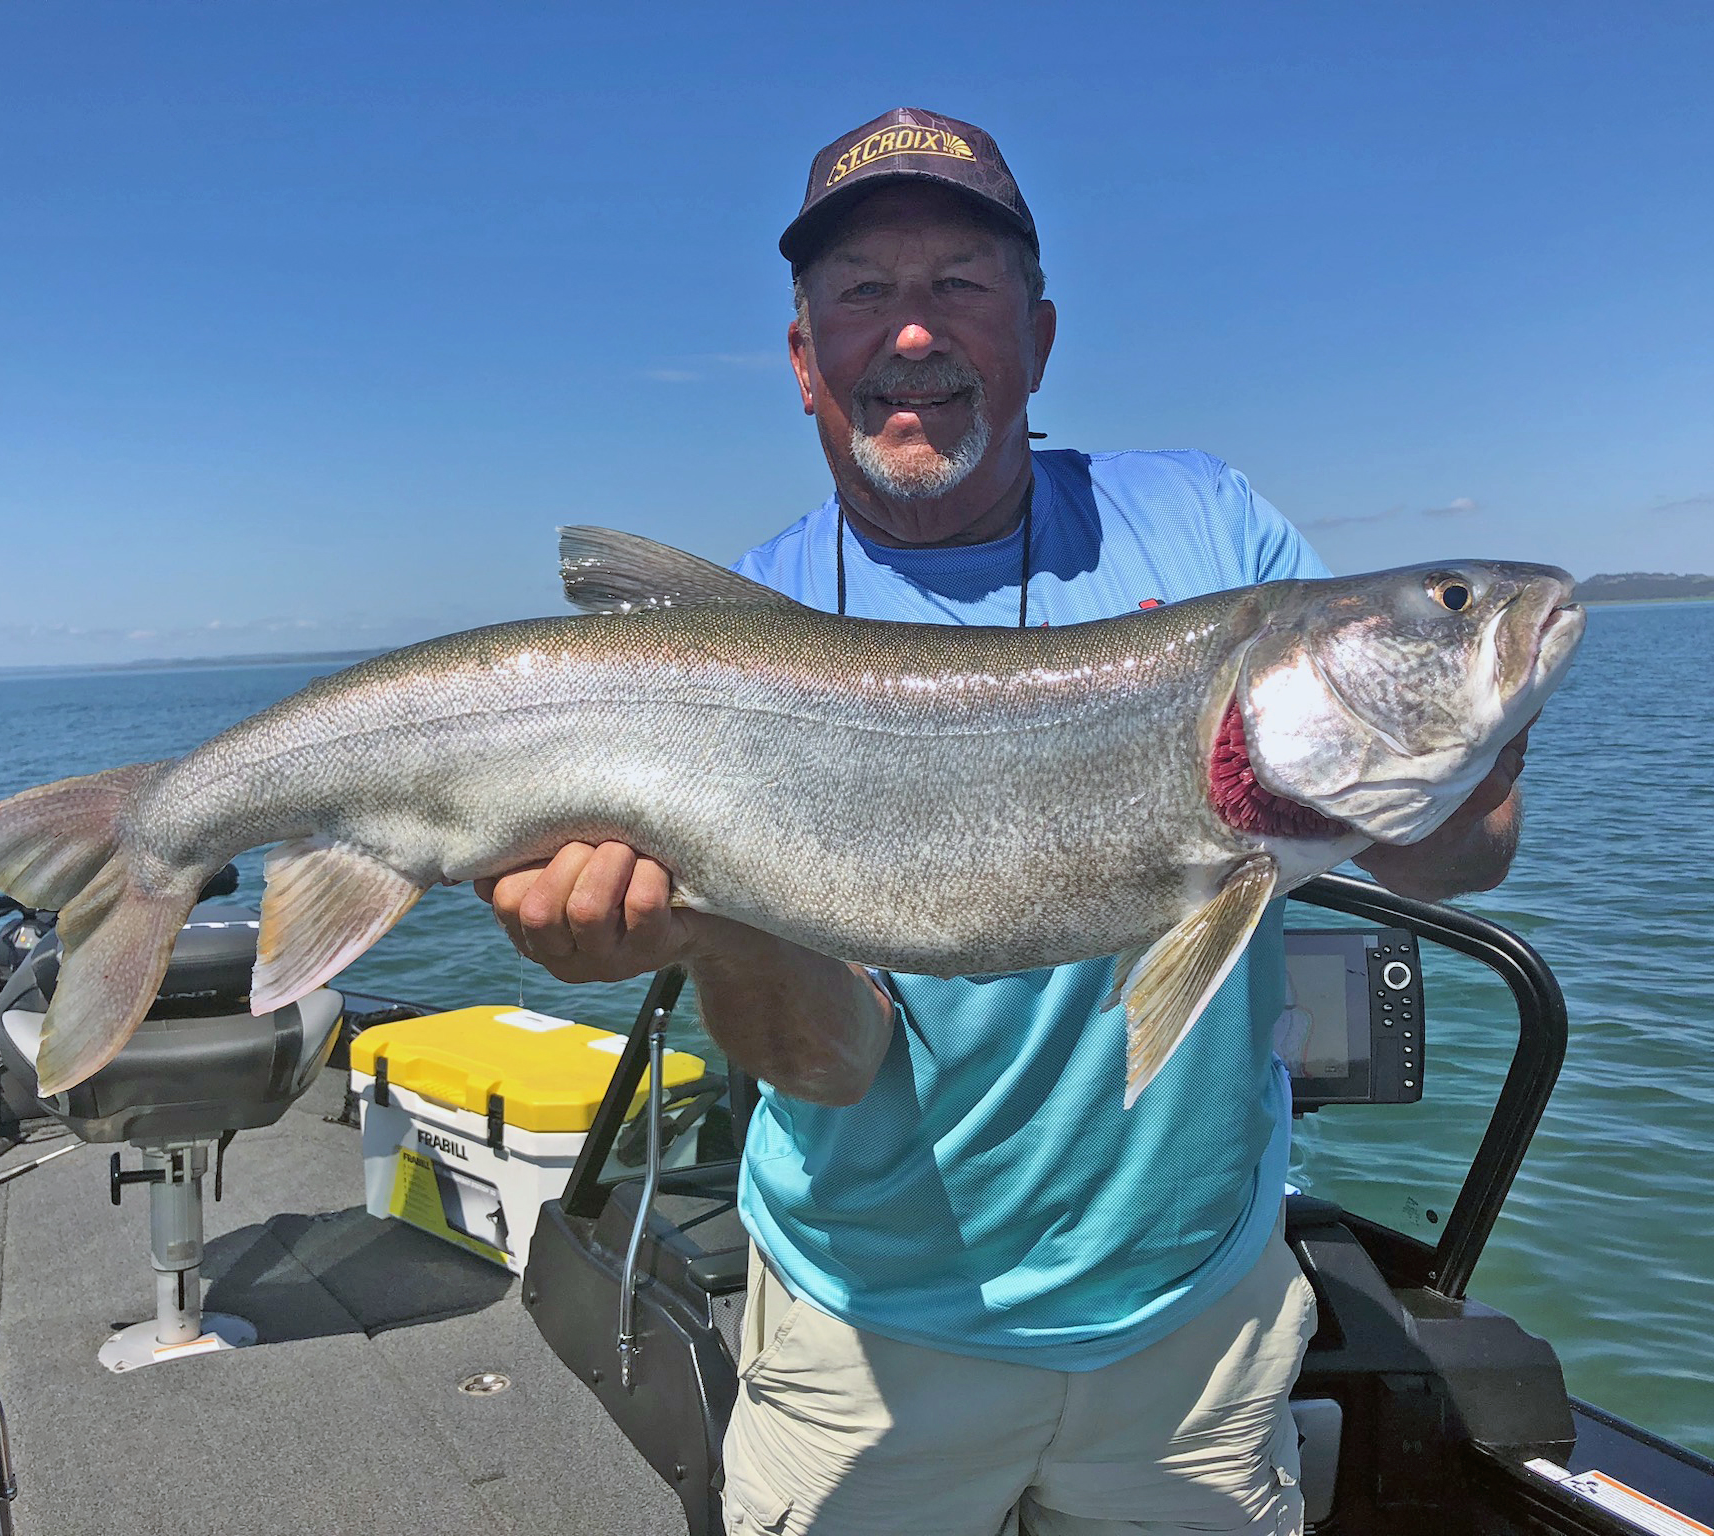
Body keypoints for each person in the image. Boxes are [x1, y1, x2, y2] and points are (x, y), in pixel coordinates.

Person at [478, 107, 1534, 1536]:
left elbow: (1456, 853)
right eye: (862, 295)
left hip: (1192, 1327)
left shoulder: (1209, 530)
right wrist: (698, 934)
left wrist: (1456, 748)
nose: (912, 335)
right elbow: (825, 1061)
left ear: (1036, 336)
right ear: (803, 361)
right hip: (866, 1341)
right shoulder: (724, 651)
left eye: (958, 286)